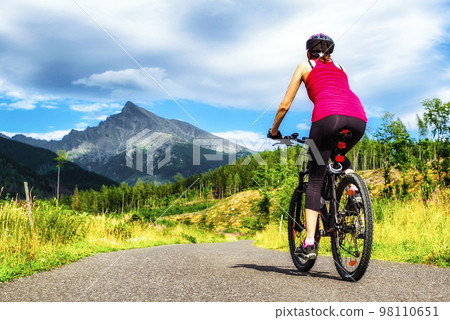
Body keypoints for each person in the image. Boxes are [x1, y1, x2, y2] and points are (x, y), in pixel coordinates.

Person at [268, 33, 367, 260]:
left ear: (308, 52)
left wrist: (274, 132)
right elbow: (341, 94)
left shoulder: (305, 65)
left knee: (314, 180)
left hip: (327, 118)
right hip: (358, 118)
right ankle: (353, 189)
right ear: (330, 52)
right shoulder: (340, 67)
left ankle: (310, 242)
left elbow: (284, 105)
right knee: (338, 154)